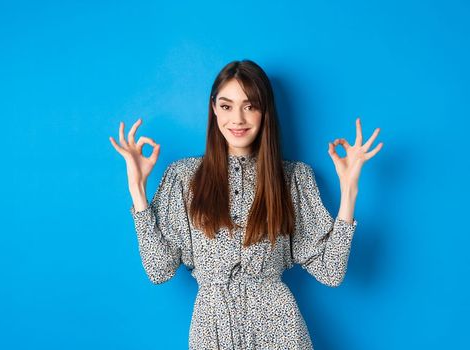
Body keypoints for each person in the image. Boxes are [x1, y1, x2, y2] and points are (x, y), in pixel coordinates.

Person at [108, 59, 383, 349]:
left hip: (280, 330)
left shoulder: (292, 178)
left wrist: (349, 188)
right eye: (226, 106)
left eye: (250, 106)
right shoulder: (184, 176)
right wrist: (137, 190)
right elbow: (158, 270)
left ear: (265, 112)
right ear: (214, 108)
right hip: (212, 329)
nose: (237, 119)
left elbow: (331, 271)